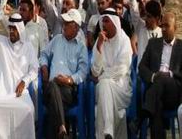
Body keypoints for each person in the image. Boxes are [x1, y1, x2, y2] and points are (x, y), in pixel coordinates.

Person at [0, 8, 38, 139]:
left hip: (20, 92)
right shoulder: (1, 42)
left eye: (14, 29)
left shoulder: (28, 46)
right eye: (10, 28)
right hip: (1, 91)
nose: (11, 32)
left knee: (29, 110)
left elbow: (34, 69)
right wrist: (1, 13)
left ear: (20, 29)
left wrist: (24, 81)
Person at [39, 8, 88, 139]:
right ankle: (62, 127)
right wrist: (44, 66)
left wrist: (69, 80)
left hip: (67, 89)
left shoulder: (81, 47)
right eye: (64, 23)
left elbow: (83, 72)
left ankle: (61, 128)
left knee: (52, 105)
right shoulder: (56, 39)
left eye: (67, 23)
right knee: (53, 85)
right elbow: (43, 54)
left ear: (76, 28)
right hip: (50, 86)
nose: (64, 26)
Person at [136, 12, 182, 139]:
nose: (164, 29)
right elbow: (141, 67)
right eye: (162, 26)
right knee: (156, 105)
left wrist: (170, 74)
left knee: (163, 78)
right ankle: (147, 110)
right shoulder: (153, 43)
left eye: (167, 26)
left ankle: (140, 117)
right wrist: (153, 76)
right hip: (157, 92)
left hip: (174, 93)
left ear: (175, 27)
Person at [91, 8, 133, 139]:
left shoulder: (124, 40)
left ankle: (106, 133)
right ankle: (108, 132)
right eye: (102, 21)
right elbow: (94, 71)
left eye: (106, 21)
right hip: (104, 89)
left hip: (121, 88)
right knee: (104, 85)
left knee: (103, 83)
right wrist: (98, 47)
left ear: (115, 23)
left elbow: (121, 69)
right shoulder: (100, 41)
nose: (103, 25)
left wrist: (101, 77)